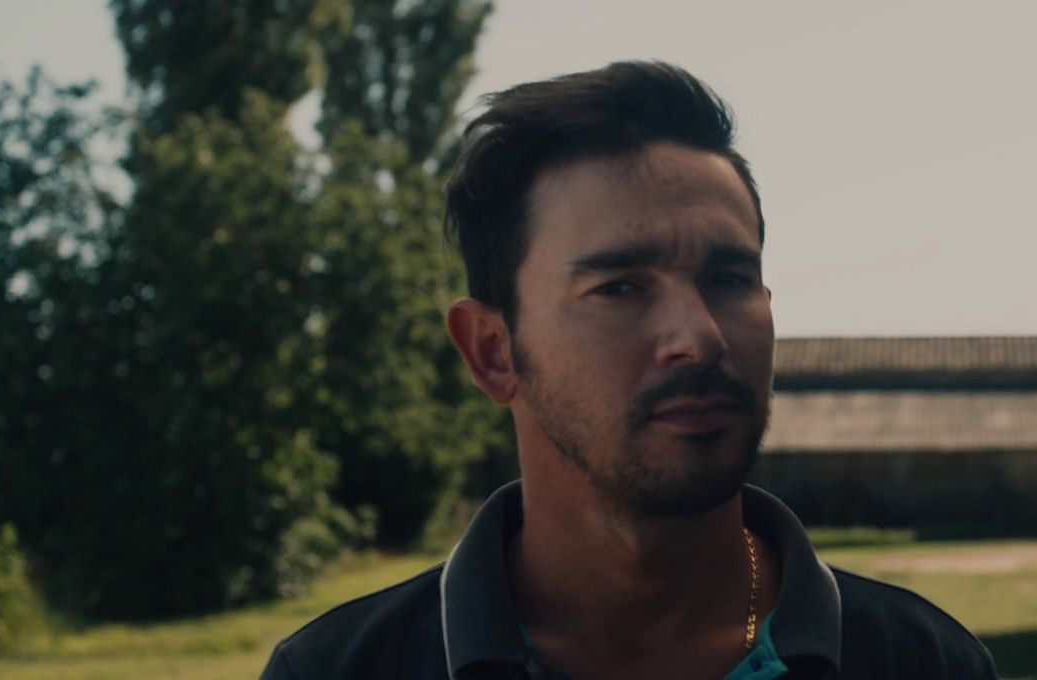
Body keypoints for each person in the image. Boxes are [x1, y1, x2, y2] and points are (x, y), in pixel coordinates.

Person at [259, 61, 997, 680]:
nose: (700, 337)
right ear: (493, 351)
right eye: (619, 287)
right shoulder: (339, 669)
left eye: (730, 278)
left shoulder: (924, 661)